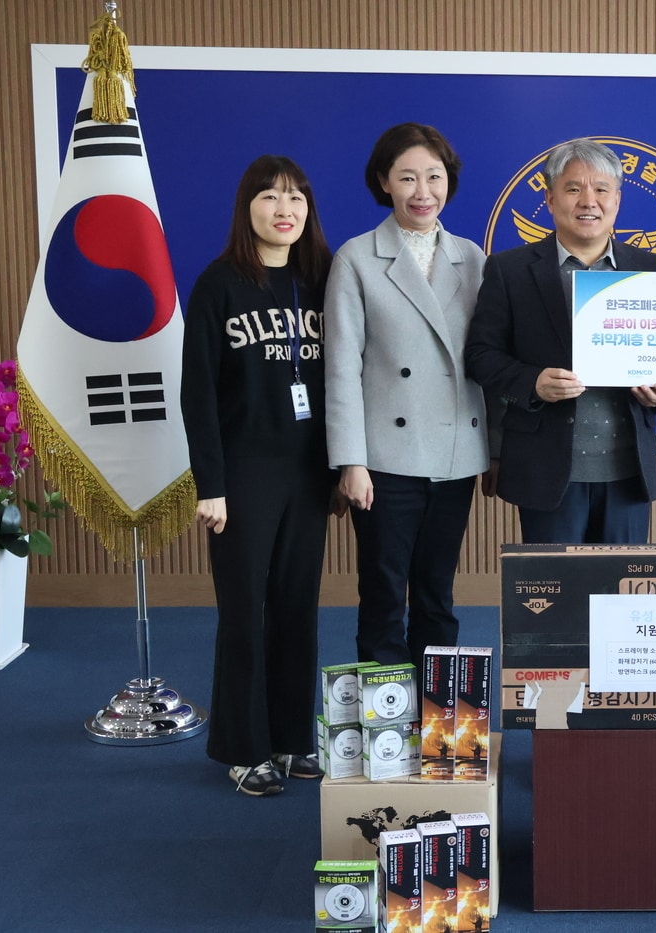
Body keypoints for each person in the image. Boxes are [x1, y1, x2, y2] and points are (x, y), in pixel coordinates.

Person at [181, 154, 337, 796]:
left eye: (298, 197)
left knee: (298, 608)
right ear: (248, 209)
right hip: (243, 475)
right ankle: (244, 748)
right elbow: (199, 394)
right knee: (244, 611)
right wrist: (210, 485)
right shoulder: (219, 283)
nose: (286, 209)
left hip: (308, 474)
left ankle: (293, 739)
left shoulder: (323, 278)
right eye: (272, 197)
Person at [325, 123, 489, 665]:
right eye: (409, 177)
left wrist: (495, 450)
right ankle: (385, 731)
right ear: (384, 182)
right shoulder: (356, 257)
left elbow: (488, 359)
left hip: (455, 452)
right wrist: (350, 461)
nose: (424, 191)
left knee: (438, 593)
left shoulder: (473, 258)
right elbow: (342, 367)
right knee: (382, 592)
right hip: (384, 458)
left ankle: (440, 730)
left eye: (435, 177)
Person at [465, 138, 656, 544]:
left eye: (601, 189)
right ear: (551, 197)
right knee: (555, 600)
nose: (588, 201)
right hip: (547, 470)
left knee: (621, 597)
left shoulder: (648, 267)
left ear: (618, 199)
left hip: (628, 469)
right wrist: (532, 382)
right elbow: (480, 355)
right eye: (574, 188)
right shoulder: (510, 270)